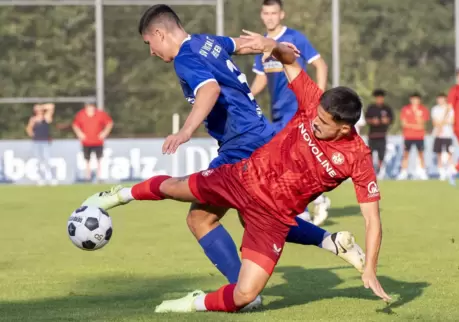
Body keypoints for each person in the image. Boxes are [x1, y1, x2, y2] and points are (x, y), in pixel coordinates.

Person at [81, 37, 390, 313]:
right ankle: (120, 195)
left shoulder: (358, 158)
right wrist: (271, 45)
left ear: (345, 128)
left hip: (272, 217)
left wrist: (371, 269)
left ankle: (194, 302)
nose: (315, 123)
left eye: (324, 122)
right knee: (174, 188)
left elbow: (372, 220)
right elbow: (289, 60)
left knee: (245, 294)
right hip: (241, 178)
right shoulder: (313, 102)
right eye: (317, 116)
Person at [130, 4, 363, 310]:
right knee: (259, 214)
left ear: (160, 33)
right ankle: (329, 241)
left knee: (201, 218)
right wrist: (277, 47)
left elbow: (209, 90)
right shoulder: (205, 41)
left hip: (241, 146)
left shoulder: (185, 58)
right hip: (258, 135)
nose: (151, 52)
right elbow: (242, 44)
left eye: (150, 44)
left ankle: (243, 290)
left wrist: (186, 131)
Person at [250, 0, 330, 224]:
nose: (270, 17)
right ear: (262, 15)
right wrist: (245, 95)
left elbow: (320, 65)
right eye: (266, 13)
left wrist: (317, 99)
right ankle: (317, 197)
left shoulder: (295, 38)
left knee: (290, 157)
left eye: (274, 13)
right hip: (276, 112)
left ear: (281, 15)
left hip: (297, 107)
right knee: (290, 158)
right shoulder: (263, 44)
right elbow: (261, 78)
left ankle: (300, 210)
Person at [72, 103, 114, 182]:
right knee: (87, 159)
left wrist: (104, 133)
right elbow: (75, 125)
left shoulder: (100, 114)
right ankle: (88, 177)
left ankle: (99, 177)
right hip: (86, 142)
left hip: (98, 141)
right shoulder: (81, 114)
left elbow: (109, 123)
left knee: (99, 159)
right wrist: (80, 134)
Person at [397, 93, 429, 180]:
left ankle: (422, 172)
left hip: (419, 136)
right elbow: (404, 124)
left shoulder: (423, 110)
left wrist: (412, 124)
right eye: (413, 99)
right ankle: (403, 172)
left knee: (421, 154)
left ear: (419, 100)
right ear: (410, 100)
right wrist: (415, 126)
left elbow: (422, 125)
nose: (415, 101)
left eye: (417, 99)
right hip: (408, 136)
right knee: (406, 154)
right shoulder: (405, 109)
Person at [365, 89, 394, 179]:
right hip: (372, 135)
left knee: (382, 155)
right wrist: (373, 121)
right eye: (378, 97)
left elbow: (391, 119)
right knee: (370, 155)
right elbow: (367, 119)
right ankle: (371, 171)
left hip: (382, 135)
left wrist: (386, 120)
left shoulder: (387, 108)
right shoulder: (371, 108)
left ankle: (381, 172)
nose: (379, 99)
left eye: (381, 97)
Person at [25, 103, 56, 186]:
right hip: (36, 142)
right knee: (39, 161)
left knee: (47, 159)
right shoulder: (33, 119)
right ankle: (41, 178)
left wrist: (41, 107)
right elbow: (28, 128)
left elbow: (51, 106)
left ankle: (51, 177)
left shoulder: (46, 117)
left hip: (45, 141)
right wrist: (32, 134)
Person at [431, 93, 455, 181]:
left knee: (449, 153)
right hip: (437, 134)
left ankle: (451, 171)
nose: (440, 100)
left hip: (447, 134)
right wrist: (439, 125)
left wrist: (441, 124)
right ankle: (441, 172)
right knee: (439, 153)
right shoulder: (434, 109)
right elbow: (434, 122)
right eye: (438, 99)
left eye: (442, 99)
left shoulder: (450, 109)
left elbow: (451, 120)